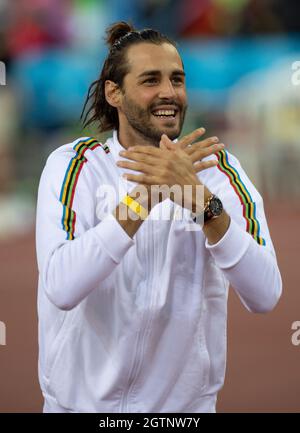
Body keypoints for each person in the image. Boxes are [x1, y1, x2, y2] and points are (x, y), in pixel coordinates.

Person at [35, 21, 282, 413]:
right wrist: (146, 197)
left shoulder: (219, 171)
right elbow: (62, 286)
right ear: (113, 92)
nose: (169, 92)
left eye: (177, 80)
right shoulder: (74, 166)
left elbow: (266, 294)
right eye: (151, 80)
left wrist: (203, 204)